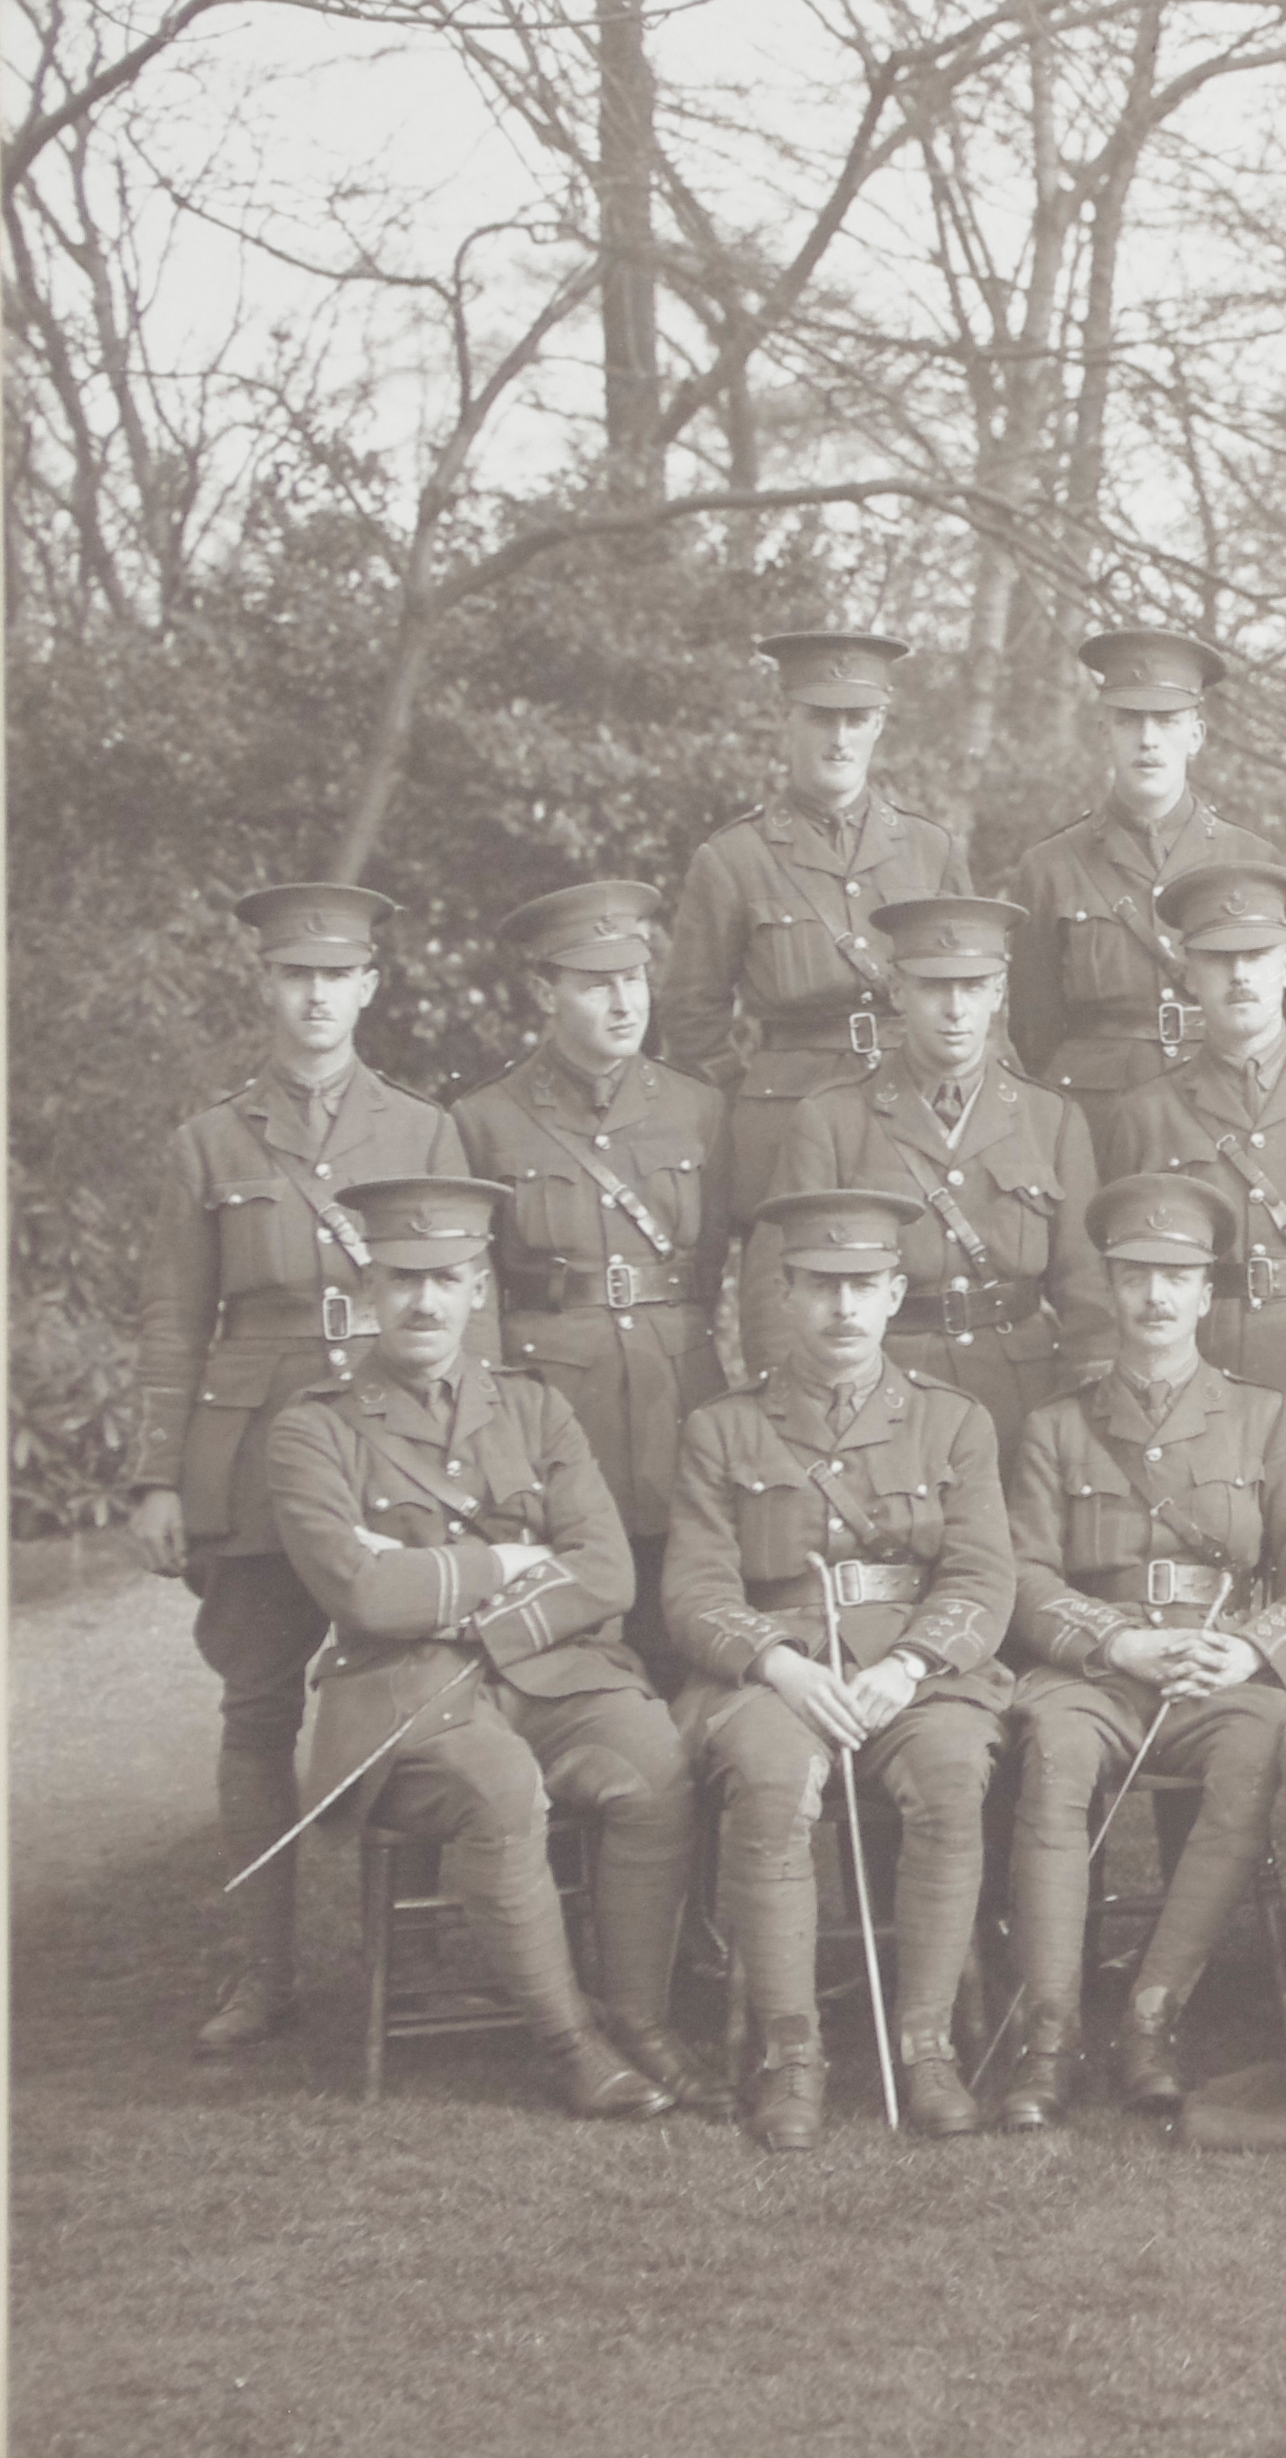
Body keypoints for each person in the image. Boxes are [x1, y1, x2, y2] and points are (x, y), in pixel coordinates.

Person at [130, 881, 482, 2055]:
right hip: (254, 1438)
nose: (316, 994)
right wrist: (156, 1477)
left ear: (371, 986)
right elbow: (175, 1320)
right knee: (256, 1702)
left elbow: (459, 1304)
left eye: (338, 974)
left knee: (417, 1680)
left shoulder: (423, 1128)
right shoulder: (210, 1140)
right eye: (295, 974)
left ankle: (414, 1950)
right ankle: (262, 1969)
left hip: (392, 1424)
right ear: (265, 984)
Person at [263, 1175, 695, 2117]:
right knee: (500, 1786)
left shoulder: (534, 1409)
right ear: (368, 1290)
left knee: (655, 1761)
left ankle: (640, 2018)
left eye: (448, 1277)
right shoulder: (312, 1429)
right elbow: (364, 1596)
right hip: (400, 1700)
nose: (424, 1301)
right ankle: (573, 2045)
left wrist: (452, 1594)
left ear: (478, 1289)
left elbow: (607, 1572)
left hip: (546, 1673)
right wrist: (508, 1557)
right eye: (402, 1278)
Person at [665, 1188, 1018, 2149]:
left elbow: (985, 1573)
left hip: (911, 1673)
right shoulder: (723, 1429)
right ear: (782, 1293)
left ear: (897, 1293)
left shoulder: (953, 1423)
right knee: (775, 1783)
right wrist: (777, 1664)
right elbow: (695, 1590)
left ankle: (926, 2044)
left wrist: (907, 1666)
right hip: (775, 1678)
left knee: (951, 1775)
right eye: (820, 1287)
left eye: (863, 1286)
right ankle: (792, 2056)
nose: (843, 1309)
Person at [993, 1173, 1286, 2130]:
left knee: (1255, 1747)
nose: (1155, 1295)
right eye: (1136, 1273)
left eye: (1176, 1275)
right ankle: (1048, 2036)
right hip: (1098, 1670)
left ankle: (1152, 2015)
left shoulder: (1267, 1418)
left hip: (1216, 1672)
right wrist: (1121, 1642)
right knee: (1053, 1754)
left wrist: (1250, 1657)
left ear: (1206, 1292)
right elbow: (1023, 1575)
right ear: (1109, 1283)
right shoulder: (1058, 1426)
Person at [449, 879, 732, 1687]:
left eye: (634, 978)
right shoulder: (483, 1121)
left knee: (684, 1607)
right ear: (545, 991)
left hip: (679, 1392)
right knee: (567, 1615)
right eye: (595, 982)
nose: (622, 1001)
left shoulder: (698, 1110)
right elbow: (478, 1293)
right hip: (554, 1405)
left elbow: (709, 1270)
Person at [657, 631, 967, 1273]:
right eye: (821, 716)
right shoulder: (733, 859)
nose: (839, 737)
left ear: (880, 723)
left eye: (857, 718)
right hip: (784, 1123)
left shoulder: (927, 850)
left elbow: (980, 990)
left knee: (916, 1288)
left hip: (910, 1107)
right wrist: (751, 1104)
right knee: (790, 1298)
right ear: (785, 718)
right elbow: (690, 1020)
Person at [768, 895, 1107, 1458]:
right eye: (933, 986)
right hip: (880, 1396)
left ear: (1000, 993)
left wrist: (1082, 1412)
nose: (955, 1008)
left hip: (1021, 1397)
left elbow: (1088, 1290)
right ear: (897, 992)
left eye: (974, 986)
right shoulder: (830, 1119)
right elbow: (779, 1286)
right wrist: (795, 1417)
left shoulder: (1051, 1118)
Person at [1095, 860, 1286, 1473]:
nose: (1239, 975)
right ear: (1188, 976)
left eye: (1258, 954)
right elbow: (1119, 1283)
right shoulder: (1144, 1114)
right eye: (1217, 958)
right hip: (1202, 1375)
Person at [1001, 628, 1279, 1109]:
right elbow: (1033, 1031)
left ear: (1196, 736)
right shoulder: (1049, 868)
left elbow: (1276, 1017)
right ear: (1103, 731)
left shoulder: (1251, 861)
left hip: (1218, 1106)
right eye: (1129, 720)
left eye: (1167, 720)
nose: (1148, 739)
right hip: (1096, 1113)